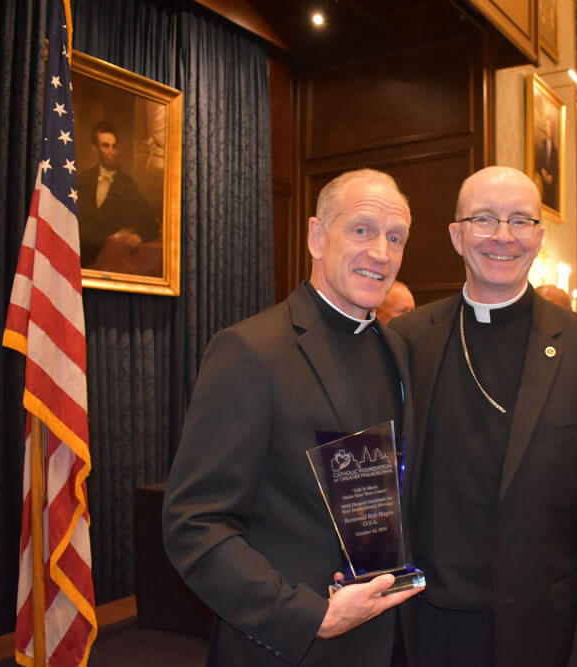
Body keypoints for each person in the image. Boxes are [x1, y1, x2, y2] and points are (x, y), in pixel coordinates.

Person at [162, 168, 423, 666]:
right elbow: (194, 523)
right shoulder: (250, 350)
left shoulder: (398, 351)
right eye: (362, 230)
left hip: (386, 641)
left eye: (396, 238)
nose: (382, 254)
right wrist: (310, 617)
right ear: (317, 237)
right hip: (290, 647)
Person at [390, 166, 577, 666]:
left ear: (540, 238)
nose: (503, 236)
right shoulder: (407, 340)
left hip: (540, 630)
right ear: (457, 236)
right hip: (427, 624)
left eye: (521, 221)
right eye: (485, 219)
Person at [77, 121, 160, 268]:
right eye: (105, 146)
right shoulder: (82, 181)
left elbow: (150, 224)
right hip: (79, 260)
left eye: (114, 146)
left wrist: (138, 235)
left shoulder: (128, 186)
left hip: (109, 262)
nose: (111, 151)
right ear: (95, 149)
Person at [534, 113, 560, 210]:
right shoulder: (541, 144)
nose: (548, 129)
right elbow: (537, 162)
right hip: (541, 181)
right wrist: (542, 172)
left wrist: (551, 177)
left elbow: (556, 168)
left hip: (551, 186)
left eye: (550, 127)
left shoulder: (555, 150)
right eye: (547, 127)